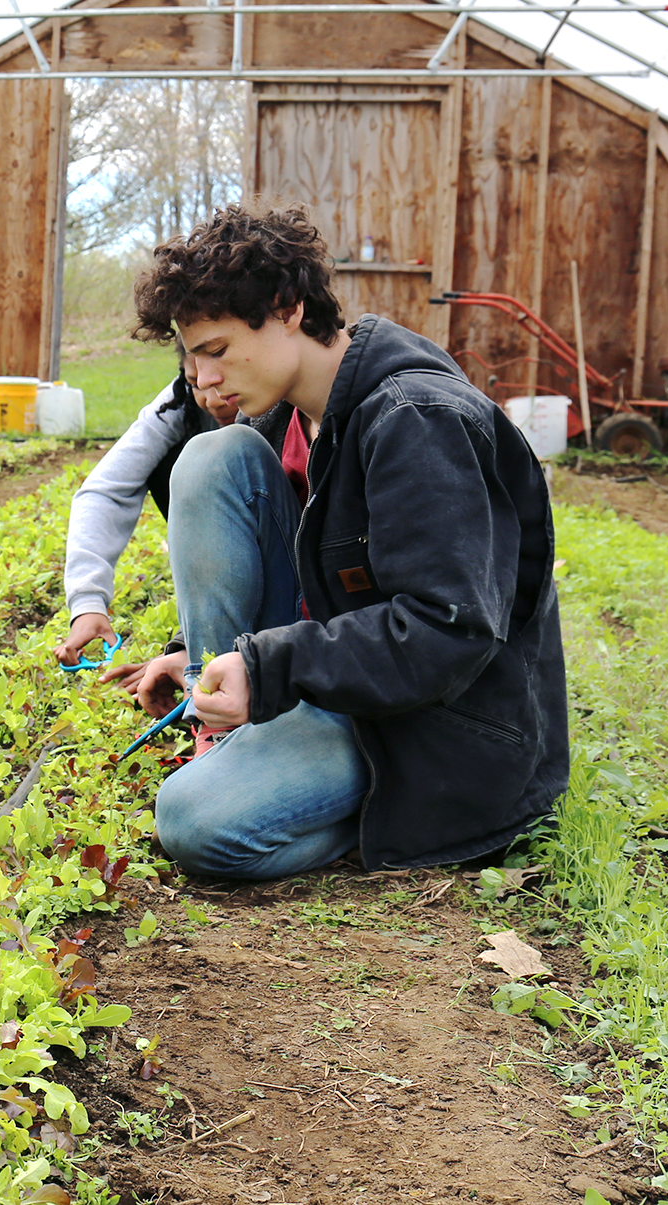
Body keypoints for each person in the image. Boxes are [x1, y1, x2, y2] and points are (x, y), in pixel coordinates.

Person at [127, 203, 567, 879]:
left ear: (288, 308)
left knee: (191, 821)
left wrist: (271, 668)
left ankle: (379, 819)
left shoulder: (416, 419)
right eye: (193, 358)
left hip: (431, 726)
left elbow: (447, 633)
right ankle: (221, 730)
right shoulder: (292, 412)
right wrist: (205, 654)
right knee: (213, 460)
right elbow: (312, 580)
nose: (202, 378)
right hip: (354, 688)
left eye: (215, 351)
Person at [57, 346, 294, 719]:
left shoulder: (288, 396)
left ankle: (227, 674)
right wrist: (88, 603)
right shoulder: (178, 405)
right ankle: (208, 671)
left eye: (220, 370)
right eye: (194, 382)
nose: (212, 397)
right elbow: (105, 490)